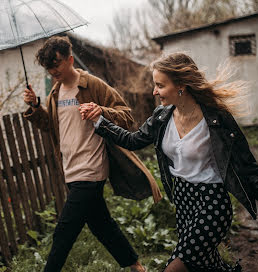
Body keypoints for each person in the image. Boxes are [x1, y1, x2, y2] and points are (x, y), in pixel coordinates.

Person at [79, 52, 258, 272]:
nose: (155, 91)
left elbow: (249, 172)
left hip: (212, 203)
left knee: (176, 266)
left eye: (160, 85)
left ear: (181, 85)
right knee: (202, 266)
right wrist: (99, 120)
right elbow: (132, 140)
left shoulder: (217, 119)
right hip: (183, 201)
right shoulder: (161, 117)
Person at [23, 36, 157, 272]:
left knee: (64, 230)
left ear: (70, 59)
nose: (53, 71)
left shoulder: (92, 85)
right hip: (71, 168)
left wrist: (101, 111)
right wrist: (35, 107)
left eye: (56, 64)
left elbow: (126, 115)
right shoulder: (54, 94)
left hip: (92, 168)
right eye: (48, 68)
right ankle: (135, 266)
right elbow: (51, 127)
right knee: (101, 224)